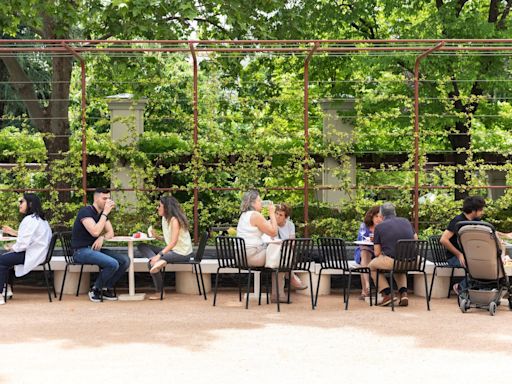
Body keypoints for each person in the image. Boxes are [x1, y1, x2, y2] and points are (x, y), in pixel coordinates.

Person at [71, 187, 129, 302]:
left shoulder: (102, 214)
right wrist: (105, 213)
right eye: (104, 198)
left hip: (94, 250)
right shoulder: (85, 212)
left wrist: (102, 237)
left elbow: (110, 233)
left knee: (125, 260)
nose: (107, 201)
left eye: (108, 199)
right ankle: (95, 289)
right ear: (96, 198)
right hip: (80, 251)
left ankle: (106, 287)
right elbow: (95, 231)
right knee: (112, 263)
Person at [137, 196, 193, 300]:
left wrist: (159, 256)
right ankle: (158, 262)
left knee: (151, 263)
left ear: (166, 208)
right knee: (141, 246)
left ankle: (159, 292)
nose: (157, 208)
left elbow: (173, 242)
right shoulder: (165, 219)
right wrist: (157, 237)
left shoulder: (174, 220)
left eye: (160, 206)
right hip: (172, 250)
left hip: (182, 253)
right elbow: (170, 239)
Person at [0, 193, 52, 305]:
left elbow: (23, 244)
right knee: (7, 259)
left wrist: (12, 248)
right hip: (39, 253)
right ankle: (6, 288)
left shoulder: (29, 220)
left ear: (30, 204)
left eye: (21, 202)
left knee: (2, 260)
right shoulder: (41, 219)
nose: (19, 205)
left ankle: (1, 293)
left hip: (33, 255)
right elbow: (30, 238)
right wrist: (13, 234)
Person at [237, 190, 287, 302]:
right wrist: (272, 214)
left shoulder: (244, 215)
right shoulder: (255, 215)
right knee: (283, 256)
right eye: (259, 200)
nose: (261, 203)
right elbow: (274, 232)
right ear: (253, 203)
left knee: (278, 255)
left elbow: (265, 229)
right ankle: (279, 294)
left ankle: (280, 291)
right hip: (251, 256)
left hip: (241, 255)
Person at [368, 202, 416, 307]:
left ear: (381, 215)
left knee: (371, 266)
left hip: (394, 261)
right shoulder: (406, 221)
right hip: (414, 261)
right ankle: (403, 294)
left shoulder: (379, 227)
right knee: (399, 265)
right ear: (395, 212)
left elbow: (376, 253)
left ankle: (387, 294)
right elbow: (415, 239)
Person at [440, 195, 486, 295]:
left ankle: (480, 291)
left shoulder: (476, 221)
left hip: (471, 256)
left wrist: (504, 235)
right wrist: (458, 254)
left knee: (485, 265)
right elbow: (443, 239)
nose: (483, 212)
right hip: (454, 257)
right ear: (474, 210)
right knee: (477, 267)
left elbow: (488, 232)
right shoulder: (457, 221)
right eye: (481, 209)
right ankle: (461, 287)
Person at [354, 206, 382, 300]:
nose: (379, 219)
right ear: (371, 217)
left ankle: (365, 291)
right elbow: (361, 243)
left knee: (364, 261)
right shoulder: (364, 226)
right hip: (364, 251)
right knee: (364, 253)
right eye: (376, 216)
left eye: (381, 217)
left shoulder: (384, 227)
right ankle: (367, 285)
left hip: (378, 252)